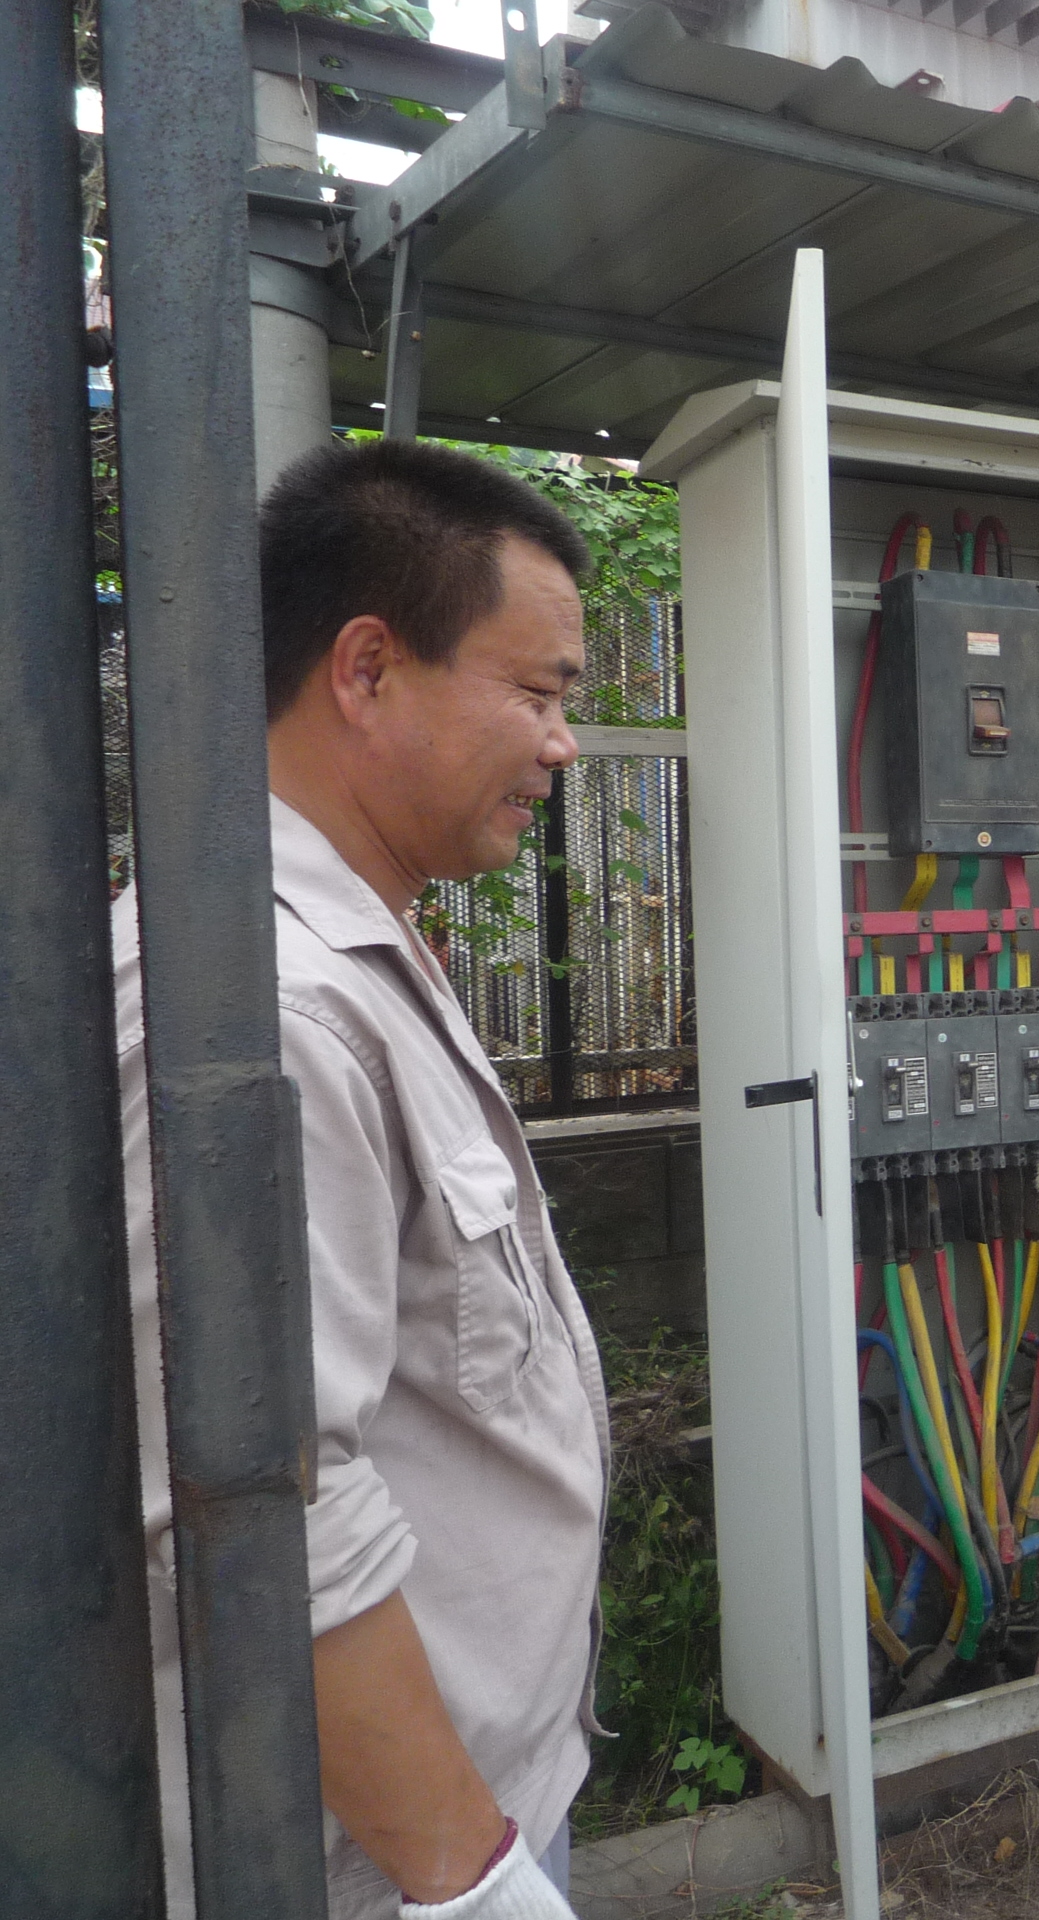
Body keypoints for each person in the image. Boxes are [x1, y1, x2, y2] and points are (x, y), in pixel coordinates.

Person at [119, 438, 606, 1920]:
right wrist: (471, 1884)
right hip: (396, 1868)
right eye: (539, 691)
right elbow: (261, 1507)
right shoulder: (269, 1012)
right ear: (368, 669)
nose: (563, 745)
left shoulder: (357, 951)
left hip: (468, 1810)